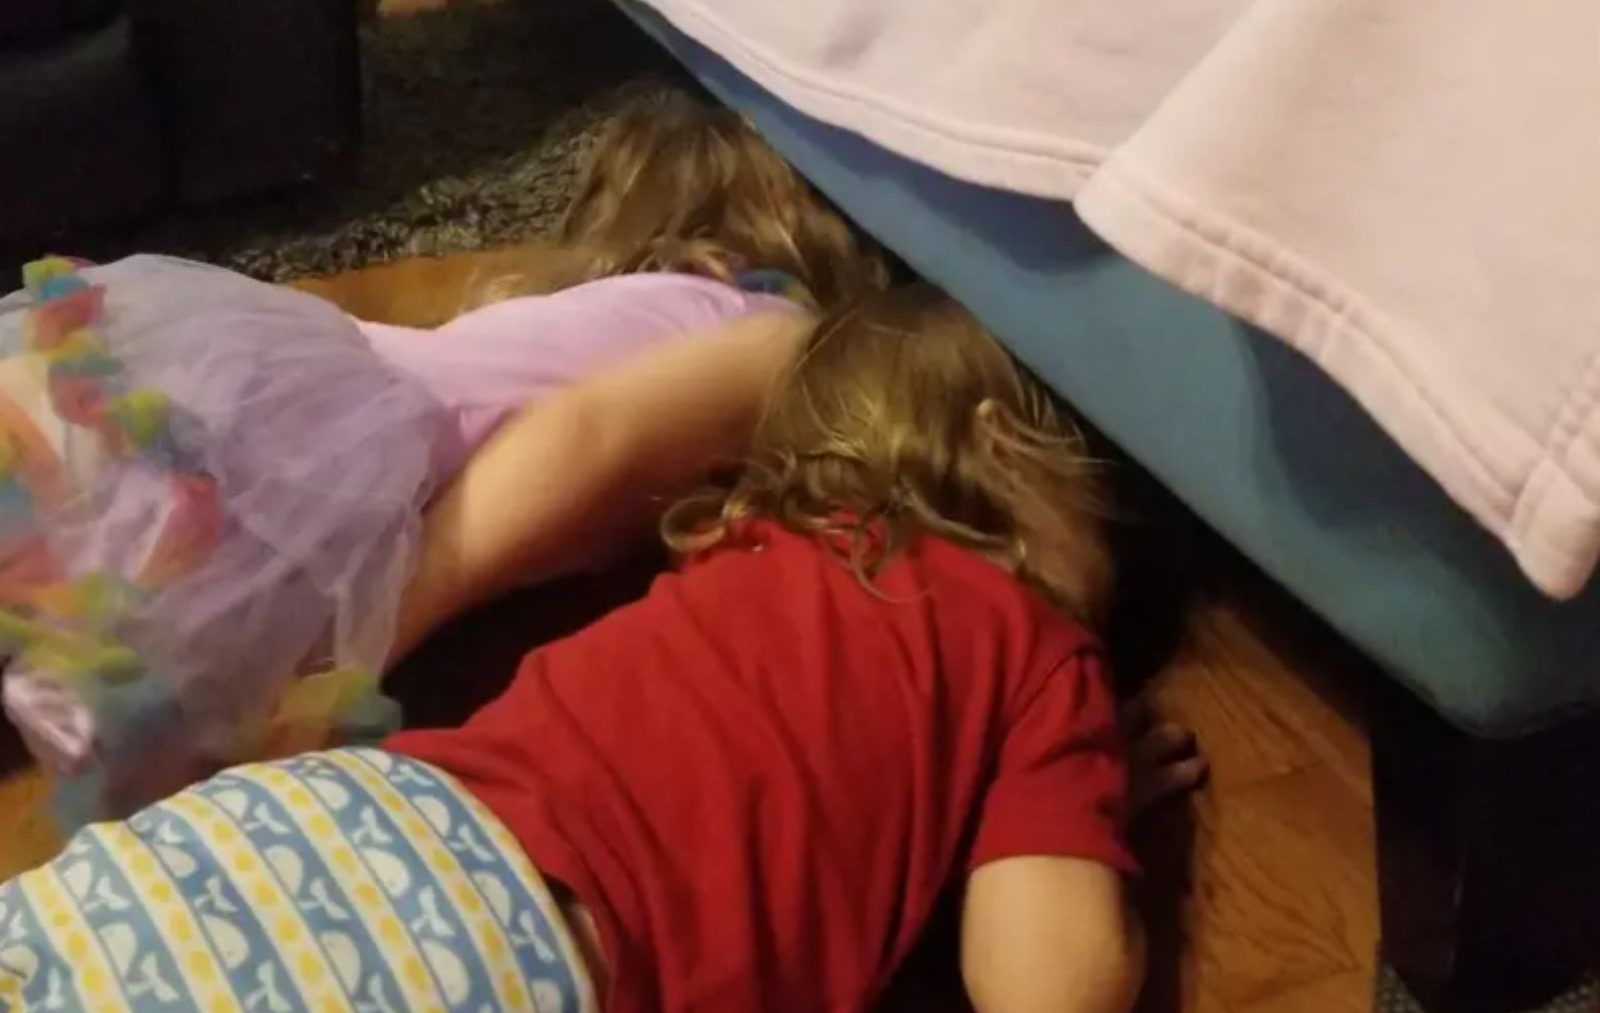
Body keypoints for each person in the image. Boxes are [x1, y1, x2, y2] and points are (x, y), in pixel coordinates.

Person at [0, 286, 1153, 1013]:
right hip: (482, 945)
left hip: (286, 829)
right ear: (1007, 449)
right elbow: (1049, 984)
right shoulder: (1039, 653)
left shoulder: (748, 545)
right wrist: (1080, 812)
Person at [0, 91, 886, 825]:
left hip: (302, 429)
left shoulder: (665, 314)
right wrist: (359, 654)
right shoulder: (772, 336)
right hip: (323, 453)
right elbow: (582, 438)